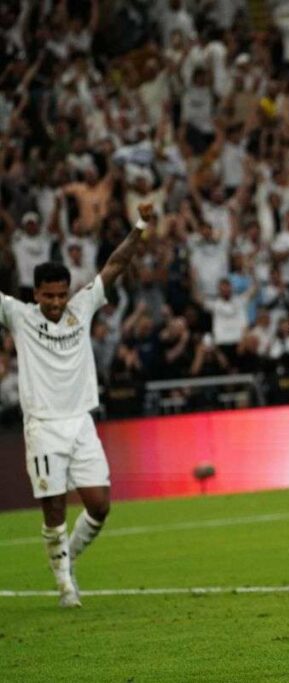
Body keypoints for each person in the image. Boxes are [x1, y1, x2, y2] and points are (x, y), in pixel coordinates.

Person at [0, 203, 155, 608]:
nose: (56, 302)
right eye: (49, 296)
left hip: (81, 422)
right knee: (53, 510)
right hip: (43, 426)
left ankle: (66, 561)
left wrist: (140, 225)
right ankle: (64, 585)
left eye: (61, 294)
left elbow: (116, 264)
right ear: (35, 294)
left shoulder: (81, 308)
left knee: (100, 505)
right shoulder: (18, 315)